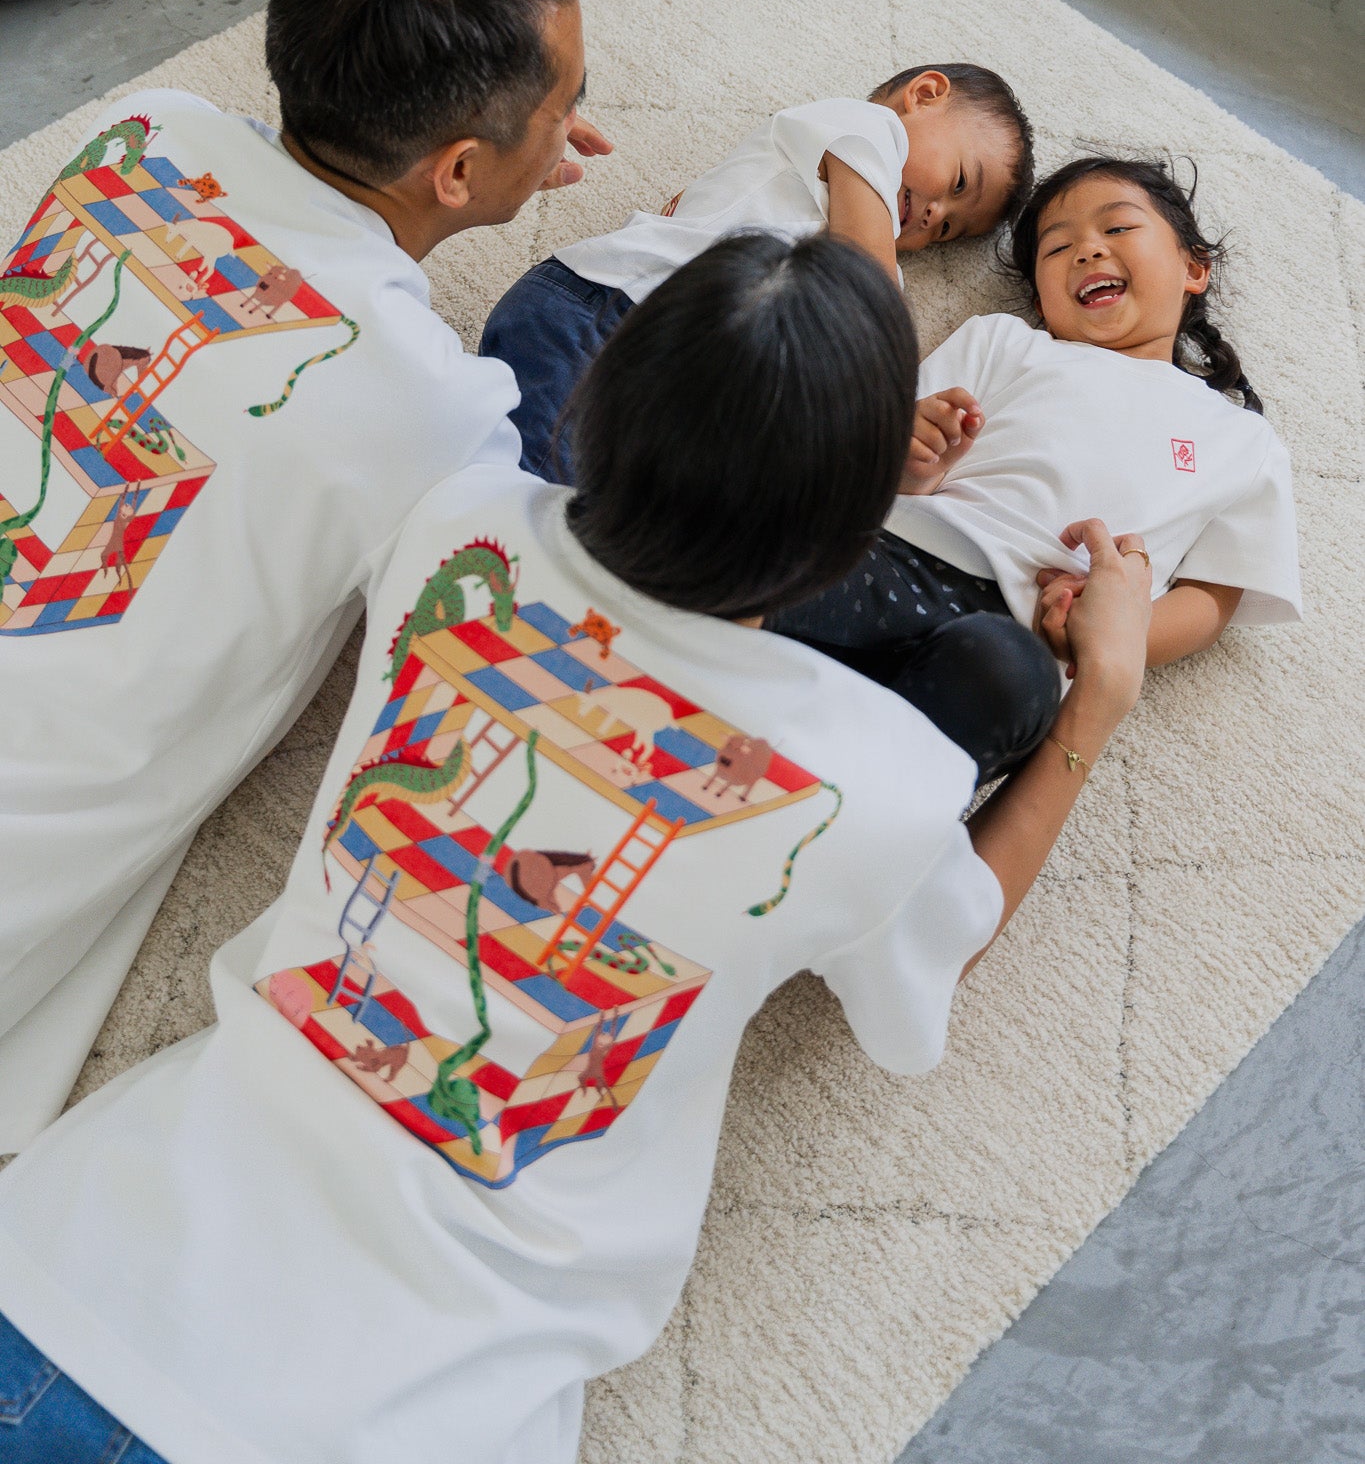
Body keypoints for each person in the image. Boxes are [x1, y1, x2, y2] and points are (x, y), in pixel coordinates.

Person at [0, 232, 1152, 1464]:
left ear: (602, 397)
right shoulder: (878, 782)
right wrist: (1097, 704)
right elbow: (946, 946)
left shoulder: (457, 523)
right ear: (854, 535)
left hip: (64, 1256)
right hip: (384, 1411)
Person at [0, 0, 612, 1152]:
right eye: (566, 105)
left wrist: (506, 146)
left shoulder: (142, 130)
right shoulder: (437, 414)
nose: (572, 125)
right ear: (457, 168)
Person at [770, 157, 1299, 764]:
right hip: (899, 554)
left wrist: (1113, 636)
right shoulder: (1005, 342)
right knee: (769, 557)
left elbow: (1212, 599)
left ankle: (845, 789)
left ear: (1193, 268)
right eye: (1058, 248)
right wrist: (911, 465)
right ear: (1042, 300)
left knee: (1004, 683)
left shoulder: (1243, 440)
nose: (1087, 251)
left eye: (1118, 228)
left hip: (1023, 637)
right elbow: (877, 456)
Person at [481, 61, 1033, 474]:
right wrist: (892, 408)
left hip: (675, 374)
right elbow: (868, 288)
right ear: (925, 95)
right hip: (609, 315)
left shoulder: (847, 232)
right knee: (525, 504)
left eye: (948, 230)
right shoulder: (864, 128)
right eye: (960, 182)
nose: (935, 215)